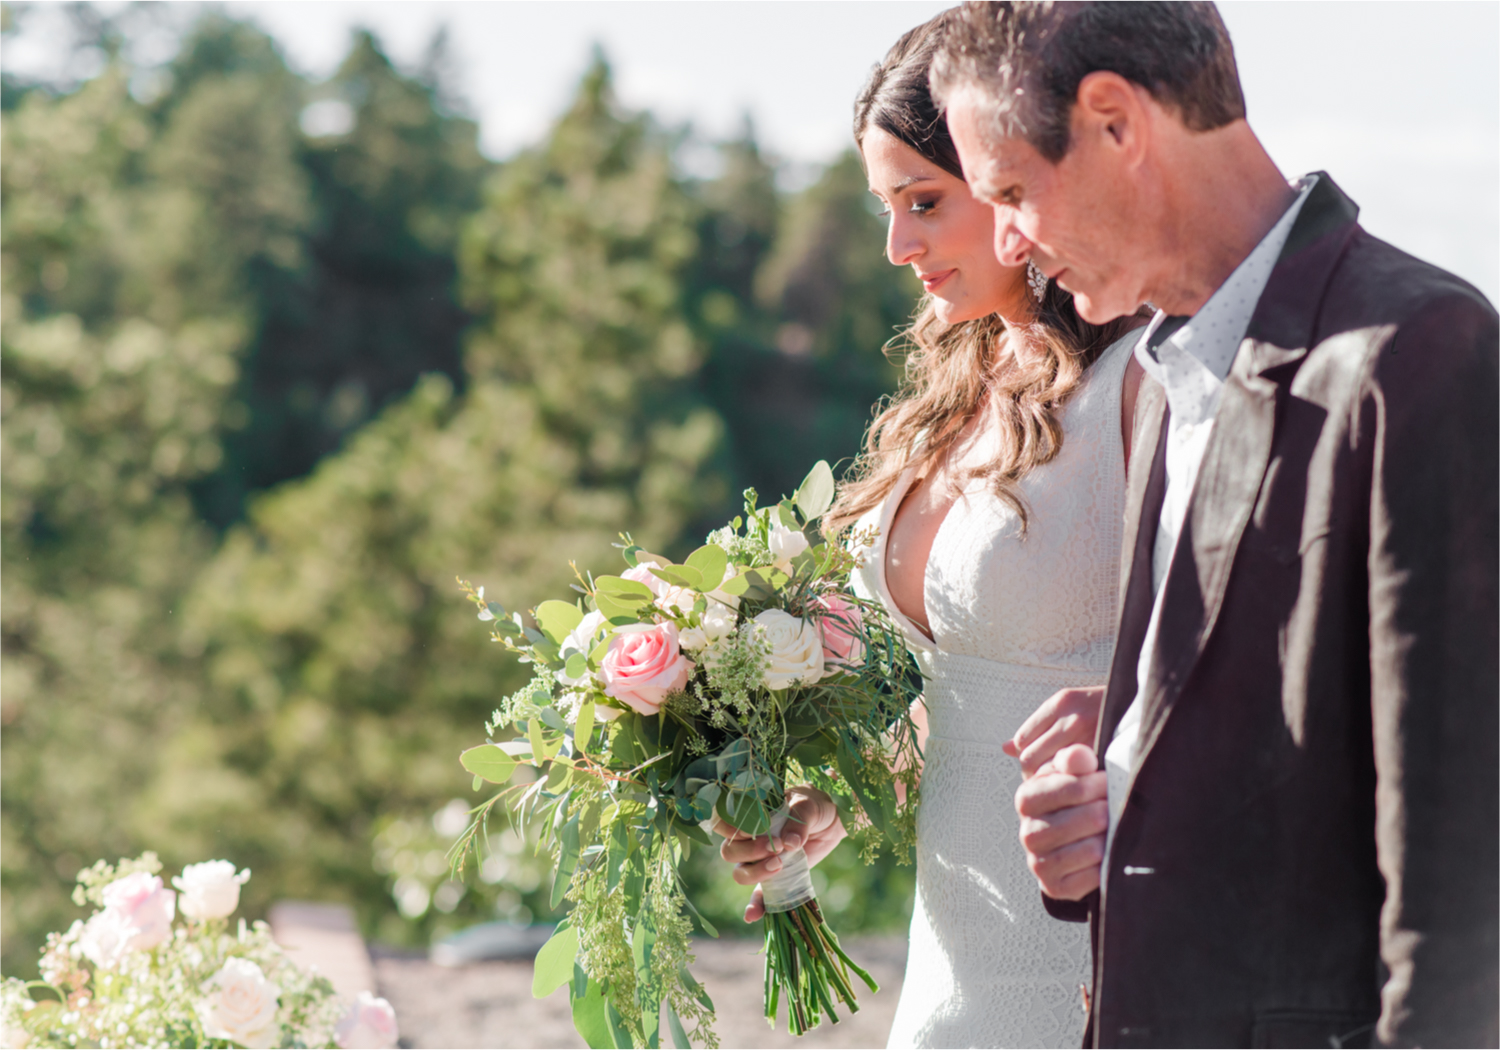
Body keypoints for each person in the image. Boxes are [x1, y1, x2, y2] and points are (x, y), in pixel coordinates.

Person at [927, 3, 1499, 1047]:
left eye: (1010, 191)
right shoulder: (1169, 369)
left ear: (1113, 120)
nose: (1009, 241)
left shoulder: (1415, 351)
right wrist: (1124, 779)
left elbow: (1462, 847)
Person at [714, 13, 1147, 1048]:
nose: (897, 246)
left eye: (923, 202)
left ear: (1012, 185)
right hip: (950, 964)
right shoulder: (956, 393)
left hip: (1088, 952)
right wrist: (830, 803)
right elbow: (949, 700)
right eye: (885, 208)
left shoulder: (1140, 388)